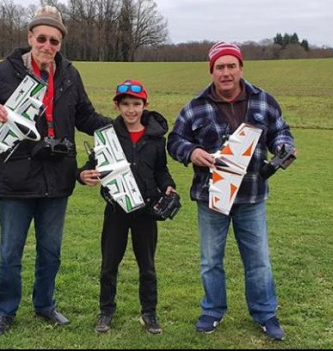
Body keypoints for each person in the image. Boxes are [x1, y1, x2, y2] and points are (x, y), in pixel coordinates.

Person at [0, 6, 111, 337]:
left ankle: (45, 305)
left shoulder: (70, 75)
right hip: (16, 179)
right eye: (42, 38)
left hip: (57, 180)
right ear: (30, 37)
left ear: (61, 43)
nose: (48, 45)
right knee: (10, 253)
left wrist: (121, 125)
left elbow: (85, 117)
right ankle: (6, 311)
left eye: (54, 41)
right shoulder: (3, 72)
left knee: (51, 252)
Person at [167, 41, 296, 341]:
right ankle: (213, 310)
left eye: (231, 66)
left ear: (241, 68)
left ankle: (265, 314)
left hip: (251, 196)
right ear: (211, 71)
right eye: (220, 67)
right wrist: (191, 152)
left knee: (258, 259)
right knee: (210, 260)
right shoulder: (195, 106)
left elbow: (282, 131)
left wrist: (283, 146)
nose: (226, 72)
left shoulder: (264, 101)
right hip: (211, 197)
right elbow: (174, 140)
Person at [77, 79, 177, 334]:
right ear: (117, 105)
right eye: (126, 105)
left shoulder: (155, 138)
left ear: (145, 105)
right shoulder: (107, 136)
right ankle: (106, 311)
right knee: (109, 264)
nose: (131, 110)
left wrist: (168, 185)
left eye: (136, 104)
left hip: (146, 210)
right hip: (116, 210)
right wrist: (83, 175)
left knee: (147, 265)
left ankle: (149, 313)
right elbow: (91, 164)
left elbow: (160, 168)